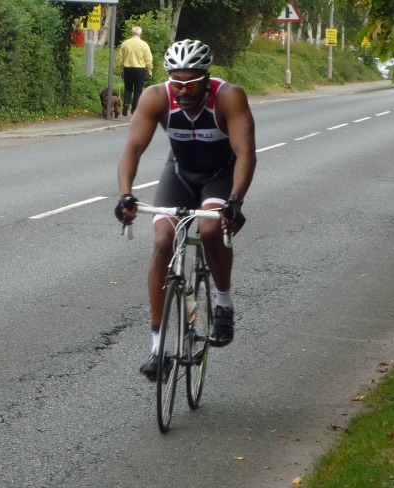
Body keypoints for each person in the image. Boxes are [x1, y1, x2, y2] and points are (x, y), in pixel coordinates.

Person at [114, 39, 257, 380]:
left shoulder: (228, 97)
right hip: (179, 174)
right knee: (163, 240)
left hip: (220, 176)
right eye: (177, 82)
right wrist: (125, 195)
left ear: (206, 79)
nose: (184, 90)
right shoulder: (156, 97)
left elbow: (246, 151)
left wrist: (235, 201)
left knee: (210, 230)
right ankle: (157, 348)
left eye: (191, 83)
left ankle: (222, 301)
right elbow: (133, 146)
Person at [116, 26, 153, 116]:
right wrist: (149, 71)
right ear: (140, 34)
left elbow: (119, 58)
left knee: (128, 88)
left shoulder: (125, 43)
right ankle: (134, 109)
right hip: (139, 70)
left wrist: (120, 69)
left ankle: (126, 104)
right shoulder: (144, 44)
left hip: (127, 69)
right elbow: (148, 59)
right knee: (138, 90)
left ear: (132, 33)